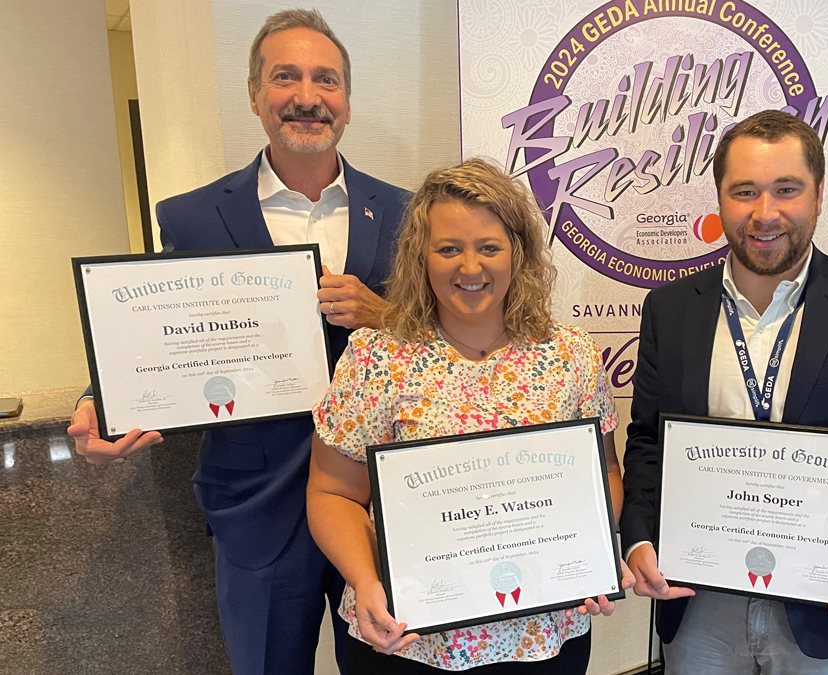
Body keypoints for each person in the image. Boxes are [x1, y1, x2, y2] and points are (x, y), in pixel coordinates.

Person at [66, 9, 412, 674]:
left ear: (347, 100)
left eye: (327, 80)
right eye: (286, 77)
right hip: (256, 503)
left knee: (390, 664)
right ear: (255, 95)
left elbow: (447, 334)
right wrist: (98, 401)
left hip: (380, 501)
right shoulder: (195, 215)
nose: (308, 96)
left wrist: (384, 313)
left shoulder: (404, 210)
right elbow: (159, 323)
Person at [620, 109, 828, 674]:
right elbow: (648, 443)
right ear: (719, 199)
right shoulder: (669, 310)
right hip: (699, 605)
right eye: (744, 191)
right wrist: (638, 539)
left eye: (786, 190)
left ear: (819, 196)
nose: (764, 213)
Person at [306, 158, 634, 674]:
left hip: (543, 637)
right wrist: (366, 580)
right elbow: (331, 493)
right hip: (408, 639)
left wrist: (590, 549)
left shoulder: (572, 357)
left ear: (518, 253)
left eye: (489, 247)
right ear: (421, 256)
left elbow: (604, 475)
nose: (471, 268)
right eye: (449, 249)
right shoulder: (376, 357)